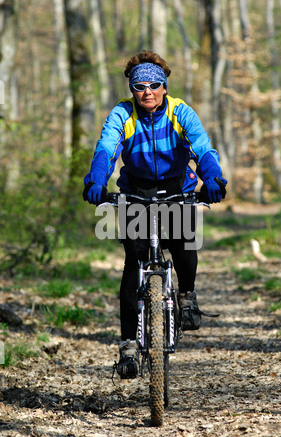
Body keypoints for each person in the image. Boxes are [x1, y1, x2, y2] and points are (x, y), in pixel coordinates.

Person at [83, 50, 227, 379]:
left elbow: (202, 147)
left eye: (154, 85)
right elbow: (106, 147)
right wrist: (95, 179)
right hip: (136, 189)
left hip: (178, 185)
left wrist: (214, 178)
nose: (147, 91)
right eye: (139, 86)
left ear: (164, 86)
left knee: (182, 240)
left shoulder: (180, 111)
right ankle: (128, 345)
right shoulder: (123, 113)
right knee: (133, 261)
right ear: (131, 89)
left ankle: (187, 295)